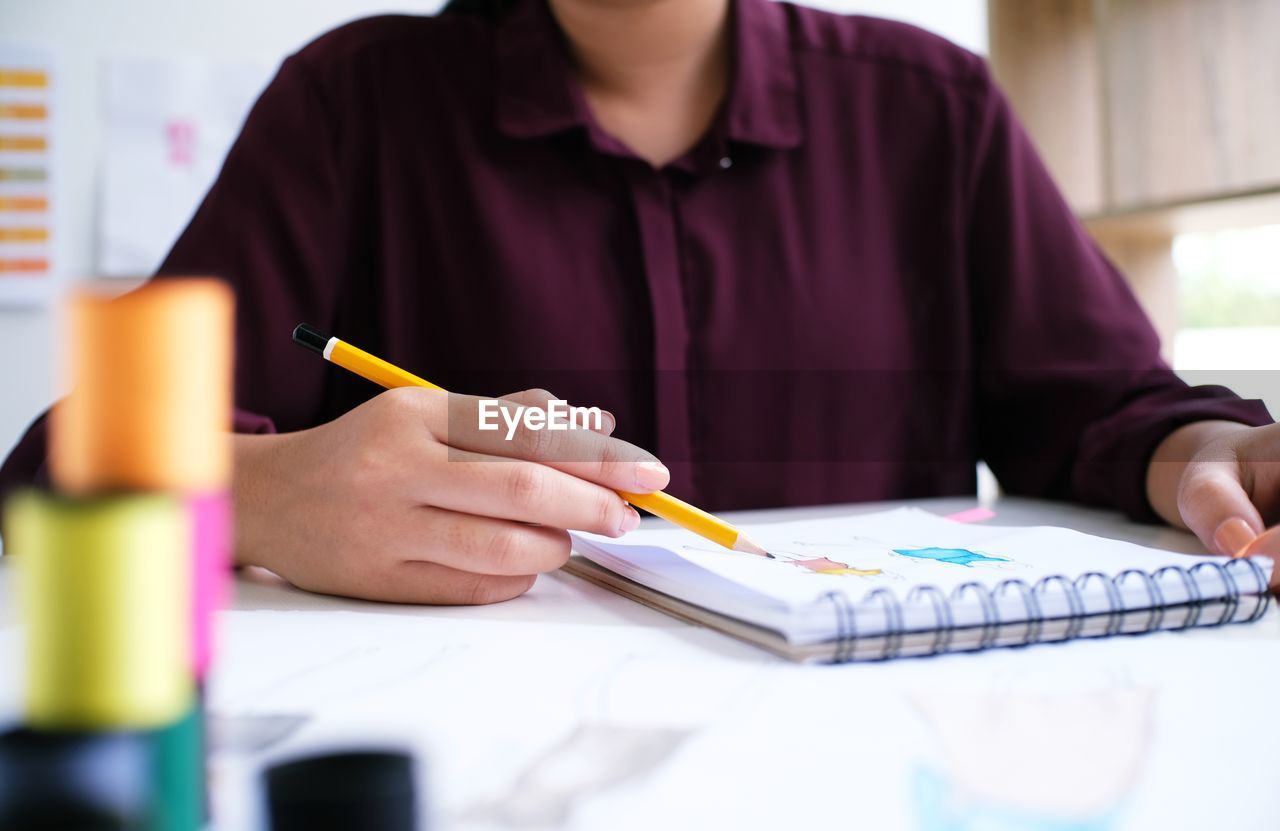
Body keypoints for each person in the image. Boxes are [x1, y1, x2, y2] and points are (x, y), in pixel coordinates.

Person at [2, 0, 1277, 603]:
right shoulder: (348, 103)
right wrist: (267, 500)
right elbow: (49, 475)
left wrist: (1199, 451)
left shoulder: (931, 109)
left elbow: (1104, 406)